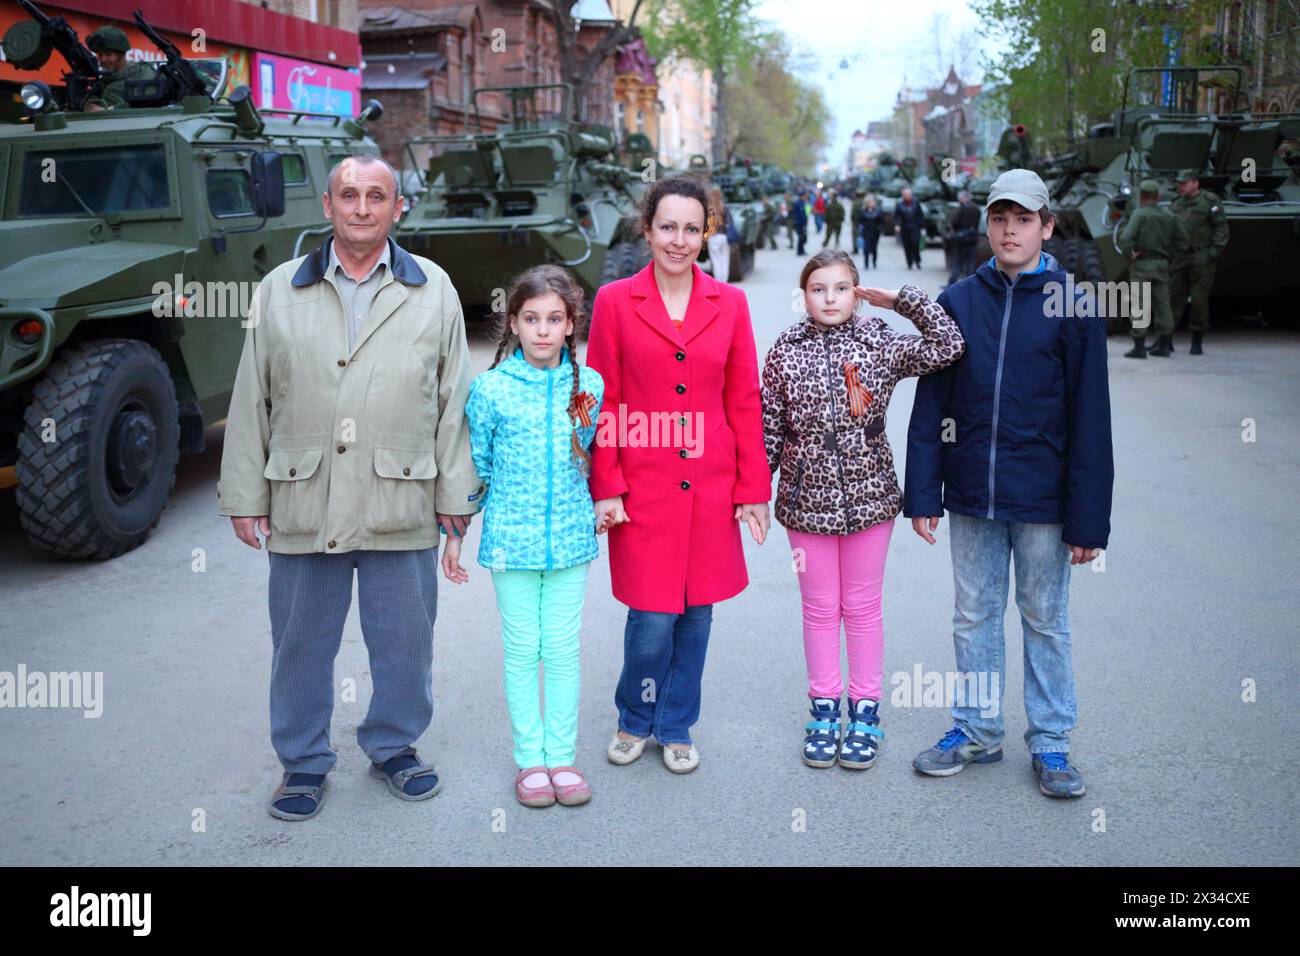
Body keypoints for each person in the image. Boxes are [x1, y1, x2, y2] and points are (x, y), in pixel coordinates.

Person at [218, 155, 483, 821]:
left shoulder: (435, 289)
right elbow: (252, 398)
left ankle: (395, 745)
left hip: (404, 496)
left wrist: (457, 495)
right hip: (304, 497)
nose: (361, 207)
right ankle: (304, 762)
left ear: (399, 209)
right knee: (302, 641)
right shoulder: (280, 288)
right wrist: (245, 494)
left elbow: (455, 402)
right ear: (329, 208)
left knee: (404, 638)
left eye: (376, 196)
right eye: (348, 195)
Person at [903, 168, 1113, 799]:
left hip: (1045, 499)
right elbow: (931, 402)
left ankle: (1051, 742)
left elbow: (1092, 419)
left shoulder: (1072, 304)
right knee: (973, 615)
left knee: (1045, 618)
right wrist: (924, 491)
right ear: (987, 226)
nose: (1010, 230)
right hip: (971, 492)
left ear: (1046, 226)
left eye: (1023, 219)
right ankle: (976, 729)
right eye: (1000, 218)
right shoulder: (959, 302)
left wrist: (1088, 520)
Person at [586, 176, 771, 774]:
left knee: (696, 614)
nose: (679, 240)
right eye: (668, 227)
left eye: (693, 229)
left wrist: (752, 490)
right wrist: (607, 484)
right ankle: (635, 716)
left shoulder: (730, 302)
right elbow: (599, 401)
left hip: (713, 486)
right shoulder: (615, 301)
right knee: (650, 617)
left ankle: (676, 722)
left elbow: (744, 398)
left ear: (706, 233)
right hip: (642, 487)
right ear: (647, 229)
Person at [762, 249, 964, 770]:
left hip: (871, 499)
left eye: (840, 288)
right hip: (806, 503)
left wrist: (904, 301)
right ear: (804, 295)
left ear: (857, 292)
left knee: (863, 607)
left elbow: (948, 345)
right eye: (817, 289)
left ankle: (866, 711)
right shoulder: (786, 349)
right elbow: (769, 426)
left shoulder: (878, 341)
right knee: (819, 609)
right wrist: (751, 493)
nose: (829, 298)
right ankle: (825, 710)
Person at [455, 265, 604, 808]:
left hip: (569, 542)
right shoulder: (490, 390)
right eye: (531, 318)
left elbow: (589, 454)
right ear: (513, 323)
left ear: (570, 325)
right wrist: (457, 532)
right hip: (511, 544)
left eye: (554, 319)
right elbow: (479, 466)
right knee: (523, 649)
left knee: (562, 649)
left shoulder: (589, 385)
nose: (543, 330)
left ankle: (562, 759)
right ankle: (530, 762)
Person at [1119, 180, 1190, 359]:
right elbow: (1183, 242)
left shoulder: (1140, 214)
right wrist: (1169, 255)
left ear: (1141, 196)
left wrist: (1130, 254)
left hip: (1142, 264)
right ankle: (1165, 345)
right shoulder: (1169, 216)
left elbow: (1126, 238)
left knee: (1139, 305)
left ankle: (1139, 347)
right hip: (1162, 264)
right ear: (1157, 196)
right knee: (1163, 304)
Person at [1168, 169, 1229, 355]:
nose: (1181, 187)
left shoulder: (1209, 201)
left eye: (1184, 183)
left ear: (1195, 183)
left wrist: (1214, 252)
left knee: (1199, 299)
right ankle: (1166, 338)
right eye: (1179, 183)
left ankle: (1197, 339)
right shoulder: (1176, 204)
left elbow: (1221, 226)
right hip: (1179, 257)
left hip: (1201, 257)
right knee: (1173, 298)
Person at [84, 26, 154, 111]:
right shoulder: (103, 82)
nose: (103, 59)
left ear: (121, 54)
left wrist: (108, 110)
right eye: (100, 55)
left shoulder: (142, 73)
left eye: (108, 54)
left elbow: (146, 102)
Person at [946, 190, 981, 286]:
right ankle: (969, 285)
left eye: (960, 198)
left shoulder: (961, 209)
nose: (959, 200)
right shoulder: (977, 208)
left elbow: (954, 222)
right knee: (970, 264)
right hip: (973, 239)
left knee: (957, 263)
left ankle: (951, 284)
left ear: (964, 198)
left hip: (960, 240)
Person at [894, 187, 925, 269]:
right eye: (905, 195)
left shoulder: (916, 203)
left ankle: (917, 261)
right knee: (907, 246)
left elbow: (920, 215)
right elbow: (897, 216)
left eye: (909, 194)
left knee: (915, 244)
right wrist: (897, 225)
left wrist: (922, 227)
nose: (908, 196)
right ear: (903, 196)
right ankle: (909, 262)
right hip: (905, 228)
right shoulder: (900, 204)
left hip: (915, 227)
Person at [705, 186, 730, 280]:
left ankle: (718, 283)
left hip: (713, 238)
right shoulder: (724, 207)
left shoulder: (709, 209)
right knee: (724, 261)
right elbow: (729, 222)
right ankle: (724, 283)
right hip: (723, 236)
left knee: (716, 262)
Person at [859, 196, 883, 269]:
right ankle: (866, 263)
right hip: (866, 231)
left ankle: (874, 262)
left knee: (874, 248)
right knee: (866, 248)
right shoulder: (863, 211)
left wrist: (879, 228)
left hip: (875, 231)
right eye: (870, 202)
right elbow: (859, 220)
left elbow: (881, 221)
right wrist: (862, 226)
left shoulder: (878, 211)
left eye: (873, 202)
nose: (872, 204)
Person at [790, 190, 809, 256]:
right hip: (798, 223)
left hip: (803, 223)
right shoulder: (797, 204)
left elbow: (805, 214)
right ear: (801, 196)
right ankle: (799, 251)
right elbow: (798, 214)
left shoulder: (803, 203)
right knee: (801, 237)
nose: (805, 197)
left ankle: (802, 250)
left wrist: (805, 222)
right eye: (804, 196)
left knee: (803, 237)